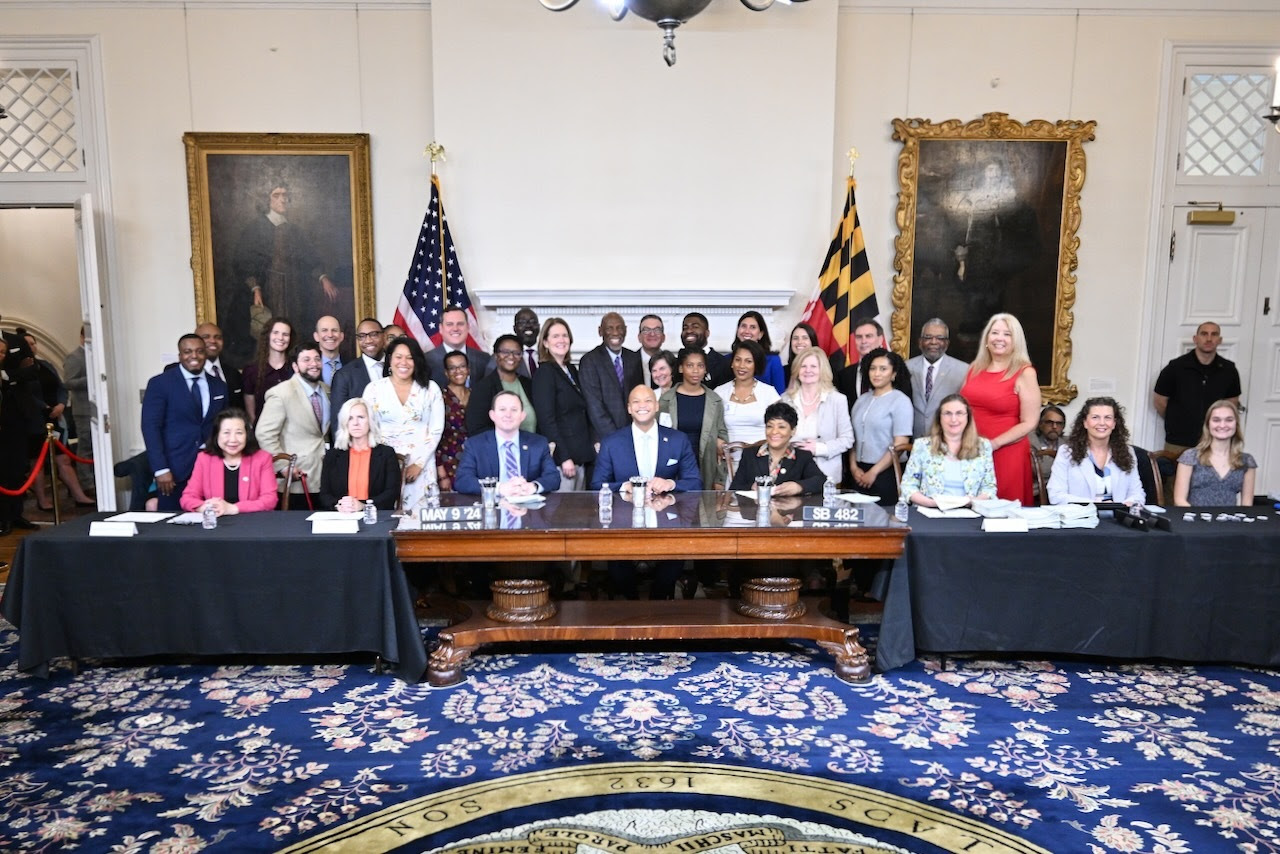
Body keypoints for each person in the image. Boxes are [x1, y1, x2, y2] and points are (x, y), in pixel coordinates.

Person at [590, 385, 702, 599]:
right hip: (623, 525)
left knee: (673, 561)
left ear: (657, 406)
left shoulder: (678, 439)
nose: (643, 406)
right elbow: (596, 485)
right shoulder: (612, 442)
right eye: (636, 402)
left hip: (668, 524)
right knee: (618, 567)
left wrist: (670, 483)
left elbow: (695, 482)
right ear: (629, 408)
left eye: (648, 401)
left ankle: (659, 603)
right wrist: (624, 486)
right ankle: (630, 605)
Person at [235, 182, 339, 353]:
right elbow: (244, 262)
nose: (282, 200)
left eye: (285, 195)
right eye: (277, 195)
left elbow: (308, 257)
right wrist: (255, 288)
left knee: (296, 325)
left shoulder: (294, 230)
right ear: (267, 200)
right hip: (269, 288)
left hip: (294, 288)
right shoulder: (255, 229)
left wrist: (323, 277)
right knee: (270, 327)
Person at [141, 333, 229, 511]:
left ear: (206, 354)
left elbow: (223, 425)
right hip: (174, 470)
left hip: (212, 468)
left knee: (213, 523)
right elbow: (150, 427)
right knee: (172, 526)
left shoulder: (219, 386)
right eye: (188, 351)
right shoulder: (160, 383)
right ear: (180, 355)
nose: (194, 356)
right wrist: (161, 469)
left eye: (199, 351)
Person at [960, 313, 1039, 505]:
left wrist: (993, 444)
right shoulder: (974, 368)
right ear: (987, 338)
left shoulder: (1025, 372)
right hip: (971, 451)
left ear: (1016, 341)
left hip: (1006, 452)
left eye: (1007, 334)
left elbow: (1030, 422)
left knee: (1003, 514)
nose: (999, 338)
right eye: (994, 333)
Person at [364, 336, 444, 512]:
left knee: (422, 521)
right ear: (390, 360)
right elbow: (367, 429)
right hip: (384, 464)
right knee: (384, 518)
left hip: (420, 465)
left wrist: (419, 463)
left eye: (410, 357)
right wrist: (385, 464)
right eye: (398, 357)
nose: (404, 362)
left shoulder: (430, 389)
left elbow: (436, 429)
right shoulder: (374, 389)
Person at [23, 332, 95, 509]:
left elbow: (61, 386)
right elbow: (26, 395)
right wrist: (46, 407)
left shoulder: (45, 365)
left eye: (33, 343)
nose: (32, 347)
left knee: (63, 459)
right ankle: (43, 500)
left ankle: (79, 495)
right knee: (37, 463)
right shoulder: (19, 372)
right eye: (28, 344)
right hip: (35, 420)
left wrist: (62, 404)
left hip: (56, 418)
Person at [254, 342, 330, 508]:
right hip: (296, 478)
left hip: (325, 478)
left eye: (317, 359)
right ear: (295, 366)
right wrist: (282, 466)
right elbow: (264, 433)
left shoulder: (327, 390)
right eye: (306, 359)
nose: (314, 364)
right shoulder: (281, 393)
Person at [1153, 321, 1242, 456]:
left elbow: (1231, 404)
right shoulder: (1175, 367)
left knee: (1213, 477)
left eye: (1214, 334)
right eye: (1204, 334)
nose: (1209, 338)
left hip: (1214, 440)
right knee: (1175, 476)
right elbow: (1160, 401)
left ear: (1220, 340)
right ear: (1195, 339)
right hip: (1178, 441)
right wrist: (1177, 420)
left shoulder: (1229, 370)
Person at [454, 391, 560, 497]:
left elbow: (553, 477)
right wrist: (499, 488)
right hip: (492, 508)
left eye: (514, 410)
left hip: (529, 507)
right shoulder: (475, 444)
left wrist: (533, 487)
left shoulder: (538, 443)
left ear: (522, 415)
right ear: (492, 415)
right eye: (502, 409)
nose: (508, 415)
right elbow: (462, 480)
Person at [900, 393, 997, 507]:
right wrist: (931, 503)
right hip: (930, 513)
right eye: (947, 414)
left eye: (959, 413)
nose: (953, 419)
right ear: (939, 418)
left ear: (968, 417)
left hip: (970, 512)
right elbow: (908, 486)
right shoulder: (922, 445)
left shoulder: (983, 446)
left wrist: (972, 502)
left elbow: (989, 488)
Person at [531, 317, 594, 491]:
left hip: (580, 455)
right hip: (563, 460)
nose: (561, 340)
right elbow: (546, 419)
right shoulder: (544, 373)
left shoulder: (571, 369)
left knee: (580, 514)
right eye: (555, 336)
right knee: (562, 514)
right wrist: (564, 457)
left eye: (565, 336)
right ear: (545, 342)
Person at [1047, 397, 1145, 506]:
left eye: (1108, 418)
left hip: (1118, 518)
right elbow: (1056, 495)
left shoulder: (1128, 452)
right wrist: (1096, 505)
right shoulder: (1066, 452)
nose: (1102, 423)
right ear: (1085, 422)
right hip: (1081, 518)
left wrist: (1126, 504)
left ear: (1114, 423)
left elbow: (1137, 493)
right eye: (1095, 417)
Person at [179, 407, 278, 514]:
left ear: (247, 435)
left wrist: (232, 508)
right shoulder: (204, 459)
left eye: (239, 433)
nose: (233, 439)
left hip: (252, 523)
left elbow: (270, 500)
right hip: (217, 522)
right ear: (217, 435)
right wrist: (204, 507)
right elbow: (187, 498)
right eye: (226, 433)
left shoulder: (262, 458)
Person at [849, 348, 913, 504]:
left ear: (893, 374)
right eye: (873, 368)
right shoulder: (861, 400)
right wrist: (853, 467)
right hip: (858, 472)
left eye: (883, 369)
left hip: (886, 472)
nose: (876, 373)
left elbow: (900, 445)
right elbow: (852, 439)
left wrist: (874, 472)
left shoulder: (900, 401)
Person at [780, 348, 853, 485]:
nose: (808, 370)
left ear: (822, 370)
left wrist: (819, 448)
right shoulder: (784, 400)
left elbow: (847, 439)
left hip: (826, 477)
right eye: (803, 366)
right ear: (797, 370)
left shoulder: (837, 400)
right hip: (791, 475)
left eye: (813, 366)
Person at [658, 348, 727, 490]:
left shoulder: (715, 400)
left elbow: (722, 442)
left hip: (705, 465)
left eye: (700, 366)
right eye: (690, 365)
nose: (696, 370)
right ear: (681, 368)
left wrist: (720, 479)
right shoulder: (666, 400)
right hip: (673, 467)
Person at [318, 398, 402, 512]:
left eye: (361, 417)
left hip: (376, 517)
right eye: (350, 418)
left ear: (370, 421)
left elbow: (392, 493)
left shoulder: (386, 454)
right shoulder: (333, 455)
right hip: (341, 517)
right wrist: (339, 505)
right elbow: (324, 494)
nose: (355, 423)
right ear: (345, 422)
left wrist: (363, 506)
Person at [728, 401, 826, 495]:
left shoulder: (802, 457)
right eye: (770, 426)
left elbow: (821, 481)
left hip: (788, 511)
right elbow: (734, 488)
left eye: (781, 427)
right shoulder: (749, 454)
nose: (774, 432)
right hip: (756, 509)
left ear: (793, 431)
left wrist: (799, 486)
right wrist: (751, 488)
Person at [1173, 399, 1256, 507]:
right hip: (1195, 521)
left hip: (1230, 522)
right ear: (1208, 425)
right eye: (1216, 420)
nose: (1222, 425)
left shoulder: (1246, 461)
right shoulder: (1190, 457)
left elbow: (1247, 506)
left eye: (1229, 420)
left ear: (1236, 424)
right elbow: (1179, 501)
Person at [579, 311, 643, 447]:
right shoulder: (590, 360)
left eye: (620, 328)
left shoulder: (633, 358)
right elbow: (594, 407)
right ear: (600, 331)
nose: (615, 332)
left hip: (634, 437)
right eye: (609, 328)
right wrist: (617, 438)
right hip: (603, 440)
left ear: (626, 330)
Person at [715, 340, 781, 468]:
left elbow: (780, 430)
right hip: (726, 464)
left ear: (756, 365)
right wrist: (716, 442)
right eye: (738, 360)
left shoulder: (769, 393)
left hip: (762, 461)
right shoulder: (719, 392)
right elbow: (711, 429)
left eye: (748, 361)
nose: (742, 366)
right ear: (732, 363)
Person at [905, 318, 967, 438]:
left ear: (947, 343)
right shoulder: (906, 367)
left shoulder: (963, 370)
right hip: (912, 443)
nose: (934, 342)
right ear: (920, 341)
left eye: (940, 338)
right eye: (928, 337)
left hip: (948, 442)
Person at [467, 334, 536, 437]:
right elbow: (477, 428)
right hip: (500, 450)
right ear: (496, 355)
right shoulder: (483, 388)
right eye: (505, 352)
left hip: (533, 448)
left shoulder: (529, 384)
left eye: (516, 353)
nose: (511, 356)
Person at [330, 317, 386, 418]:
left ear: (384, 336)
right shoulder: (344, 375)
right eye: (362, 336)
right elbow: (338, 420)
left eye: (373, 334)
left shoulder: (398, 366)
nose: (368, 340)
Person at [241, 317, 294, 423]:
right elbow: (251, 415)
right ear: (268, 335)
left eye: (285, 334)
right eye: (276, 333)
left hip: (293, 434)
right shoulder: (251, 371)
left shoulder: (296, 367)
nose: (280, 337)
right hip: (263, 434)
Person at [61, 326, 95, 489]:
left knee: (97, 447)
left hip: (96, 408)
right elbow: (68, 382)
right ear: (82, 337)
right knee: (86, 446)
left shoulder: (97, 354)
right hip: (83, 410)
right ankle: (87, 483)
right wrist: (91, 378)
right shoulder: (74, 357)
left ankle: (97, 479)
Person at [424, 305, 489, 382]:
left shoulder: (484, 359)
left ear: (468, 327)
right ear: (441, 328)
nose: (455, 329)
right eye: (449, 324)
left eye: (460, 324)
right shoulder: (426, 361)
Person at [436, 351, 470, 491]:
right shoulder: (439, 398)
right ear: (446, 372)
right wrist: (442, 475)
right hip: (448, 463)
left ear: (468, 370)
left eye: (462, 366)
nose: (458, 371)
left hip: (472, 462)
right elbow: (434, 437)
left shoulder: (477, 395)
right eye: (452, 368)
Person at [733, 310, 786, 394]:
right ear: (737, 331)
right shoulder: (727, 359)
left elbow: (780, 394)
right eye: (743, 326)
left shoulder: (773, 360)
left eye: (753, 327)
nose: (747, 331)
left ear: (760, 334)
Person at [195, 322, 244, 411]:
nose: (213, 341)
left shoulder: (233, 373)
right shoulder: (185, 373)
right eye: (206, 337)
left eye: (218, 337)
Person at [834, 318, 885, 401]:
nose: (863, 341)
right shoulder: (844, 375)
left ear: (880, 340)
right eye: (859, 337)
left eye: (868, 336)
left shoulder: (893, 371)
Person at [681, 312, 731, 388]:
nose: (689, 331)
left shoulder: (723, 364)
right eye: (685, 328)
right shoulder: (676, 362)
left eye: (695, 327)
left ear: (707, 333)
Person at [1029, 405, 1066, 499]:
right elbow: (1041, 470)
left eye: (1059, 423)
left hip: (1063, 495)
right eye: (1050, 423)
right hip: (1037, 495)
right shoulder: (1031, 441)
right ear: (1040, 424)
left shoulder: (1068, 443)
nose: (1054, 427)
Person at [783, 322, 821, 387]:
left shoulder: (823, 369)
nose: (800, 342)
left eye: (805, 338)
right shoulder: (783, 371)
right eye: (795, 338)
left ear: (813, 341)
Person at [637, 314, 667, 387]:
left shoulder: (673, 364)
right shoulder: (627, 363)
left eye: (657, 330)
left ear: (663, 337)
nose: (652, 334)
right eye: (646, 330)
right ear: (639, 337)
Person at [314, 315, 345, 385]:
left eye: (334, 330)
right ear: (316, 336)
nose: (330, 335)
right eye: (324, 330)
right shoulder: (309, 366)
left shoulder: (352, 365)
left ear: (341, 336)